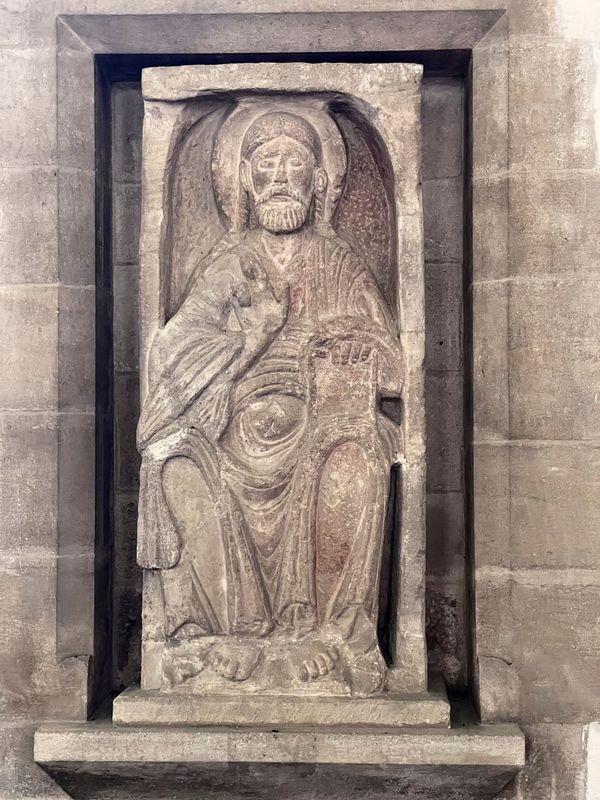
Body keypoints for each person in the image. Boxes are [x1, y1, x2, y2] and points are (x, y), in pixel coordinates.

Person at [137, 110, 402, 695]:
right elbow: (173, 353)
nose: (281, 176)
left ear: (318, 182)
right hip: (231, 429)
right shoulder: (229, 265)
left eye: (295, 164)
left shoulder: (340, 265)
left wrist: (345, 349)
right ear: (247, 183)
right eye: (267, 165)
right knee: (171, 461)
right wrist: (253, 337)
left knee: (358, 450)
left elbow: (394, 369)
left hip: (320, 424)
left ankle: (328, 635)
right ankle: (211, 635)